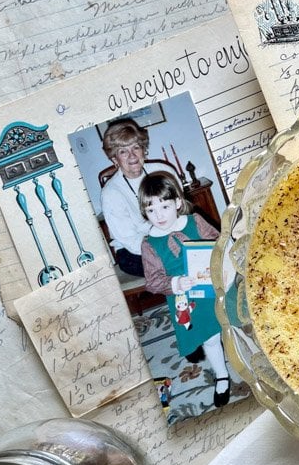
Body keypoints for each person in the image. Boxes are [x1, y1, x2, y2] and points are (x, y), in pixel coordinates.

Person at [138, 171, 234, 407]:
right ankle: (221, 375)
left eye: (164, 206)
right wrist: (174, 282)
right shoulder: (149, 244)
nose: (159, 215)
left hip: (215, 285)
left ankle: (248, 358)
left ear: (178, 203)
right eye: (151, 210)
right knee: (209, 337)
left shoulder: (194, 222)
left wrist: (222, 253)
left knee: (233, 324)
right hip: (186, 299)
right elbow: (152, 280)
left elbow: (217, 242)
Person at [100, 119, 169, 277]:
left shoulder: (163, 171)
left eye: (136, 147)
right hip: (134, 251)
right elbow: (130, 239)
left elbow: (182, 211)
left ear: (143, 150)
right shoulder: (110, 193)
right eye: (123, 151)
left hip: (170, 236)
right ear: (115, 159)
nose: (132, 155)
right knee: (175, 263)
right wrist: (164, 249)